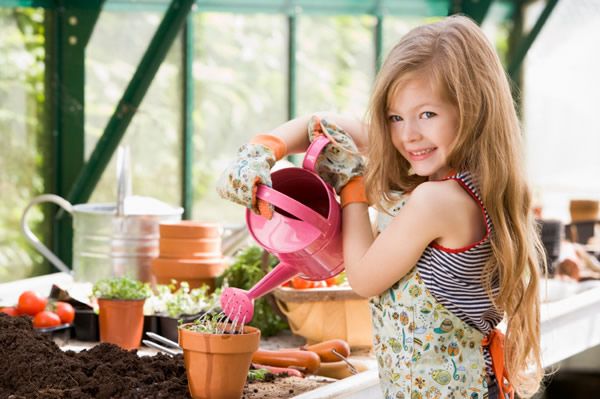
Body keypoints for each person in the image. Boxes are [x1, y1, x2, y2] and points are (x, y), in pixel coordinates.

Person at [216, 15, 546, 399]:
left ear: (473, 109)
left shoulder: (436, 200)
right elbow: (325, 125)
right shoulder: (464, 178)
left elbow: (364, 277)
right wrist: (263, 149)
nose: (408, 135)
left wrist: (352, 187)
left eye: (427, 114)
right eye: (395, 117)